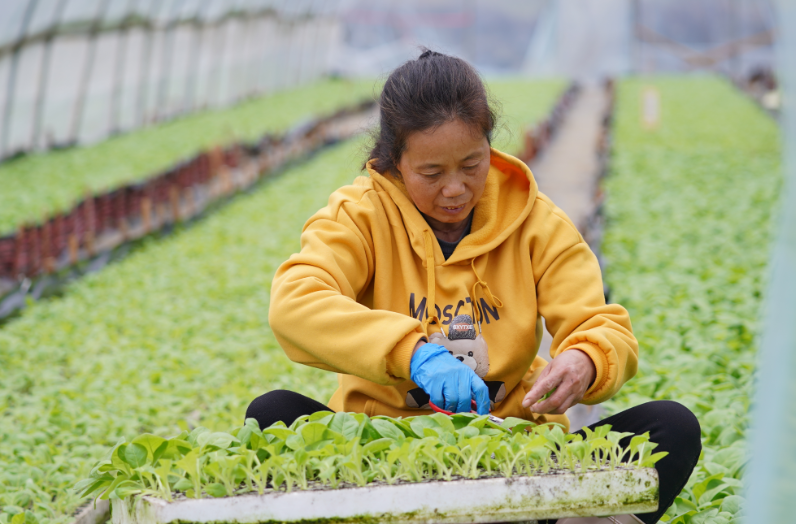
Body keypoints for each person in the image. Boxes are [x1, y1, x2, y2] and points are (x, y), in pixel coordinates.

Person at [246, 50, 700, 524]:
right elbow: (294, 303)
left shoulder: (534, 222)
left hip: (515, 461)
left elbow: (602, 324)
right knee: (273, 414)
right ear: (393, 162)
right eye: (431, 173)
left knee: (670, 427)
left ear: (490, 145)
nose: (456, 189)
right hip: (382, 457)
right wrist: (411, 353)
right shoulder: (359, 216)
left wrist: (584, 359)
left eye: (471, 164)